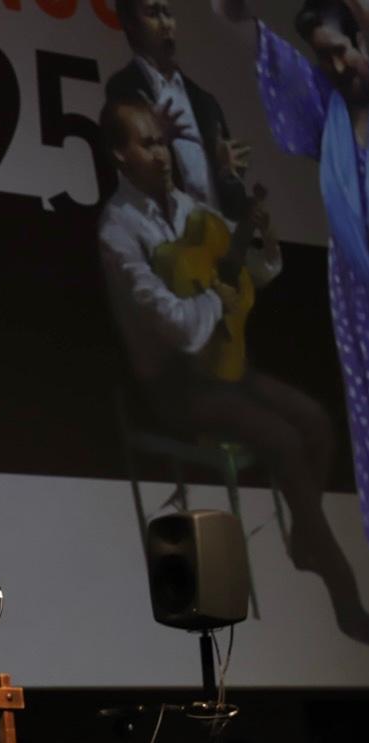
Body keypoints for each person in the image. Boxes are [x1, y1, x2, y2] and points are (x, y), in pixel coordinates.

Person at [98, 95, 369, 642]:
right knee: (282, 439)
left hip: (224, 365)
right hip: (173, 387)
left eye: (163, 141)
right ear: (120, 154)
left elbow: (255, 269)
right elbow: (172, 322)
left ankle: (307, 539)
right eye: (147, 143)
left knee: (315, 419)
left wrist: (260, 234)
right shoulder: (119, 230)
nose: (162, 154)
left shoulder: (185, 206)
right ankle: (345, 593)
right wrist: (215, 300)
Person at [215, 0, 369, 541]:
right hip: (358, 293)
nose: (336, 67)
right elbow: (281, 73)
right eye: (324, 58)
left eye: (342, 52)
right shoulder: (332, 118)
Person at [107, 0, 251, 220]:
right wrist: (156, 139)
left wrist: (228, 175)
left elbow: (231, 198)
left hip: (218, 240)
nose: (166, 24)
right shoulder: (123, 89)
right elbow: (124, 173)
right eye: (153, 13)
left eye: (168, 13)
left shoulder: (205, 102)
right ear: (131, 24)